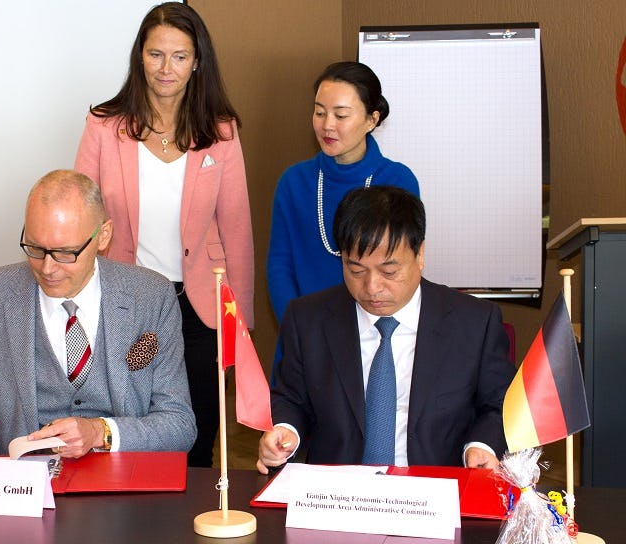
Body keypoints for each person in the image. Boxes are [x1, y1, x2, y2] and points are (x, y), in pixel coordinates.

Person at [73, 2, 253, 467]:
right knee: (129, 425)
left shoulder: (221, 132)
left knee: (195, 430)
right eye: (156, 55)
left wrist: (241, 325)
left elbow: (237, 231)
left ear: (197, 61)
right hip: (127, 300)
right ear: (140, 57)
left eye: (179, 56)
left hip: (199, 306)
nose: (166, 68)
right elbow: (81, 214)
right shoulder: (103, 125)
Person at [0, 170, 196, 457]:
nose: (47, 268)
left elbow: (179, 425)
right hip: (23, 487)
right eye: (35, 248)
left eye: (66, 253)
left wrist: (100, 432)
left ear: (103, 236)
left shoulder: (151, 296)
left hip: (124, 484)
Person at [257, 186, 515, 473]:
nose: (371, 287)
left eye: (389, 272)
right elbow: (291, 398)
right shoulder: (307, 319)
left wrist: (482, 445)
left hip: (435, 493)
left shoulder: (474, 322)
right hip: (335, 496)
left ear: (420, 255)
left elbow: (499, 405)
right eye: (356, 270)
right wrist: (285, 430)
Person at [267, 61, 419, 323]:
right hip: (305, 330)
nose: (327, 125)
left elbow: (401, 269)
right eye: (319, 113)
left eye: (341, 115)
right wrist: (298, 329)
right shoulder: (294, 181)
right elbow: (280, 266)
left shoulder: (398, 180)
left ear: (372, 119)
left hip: (373, 333)